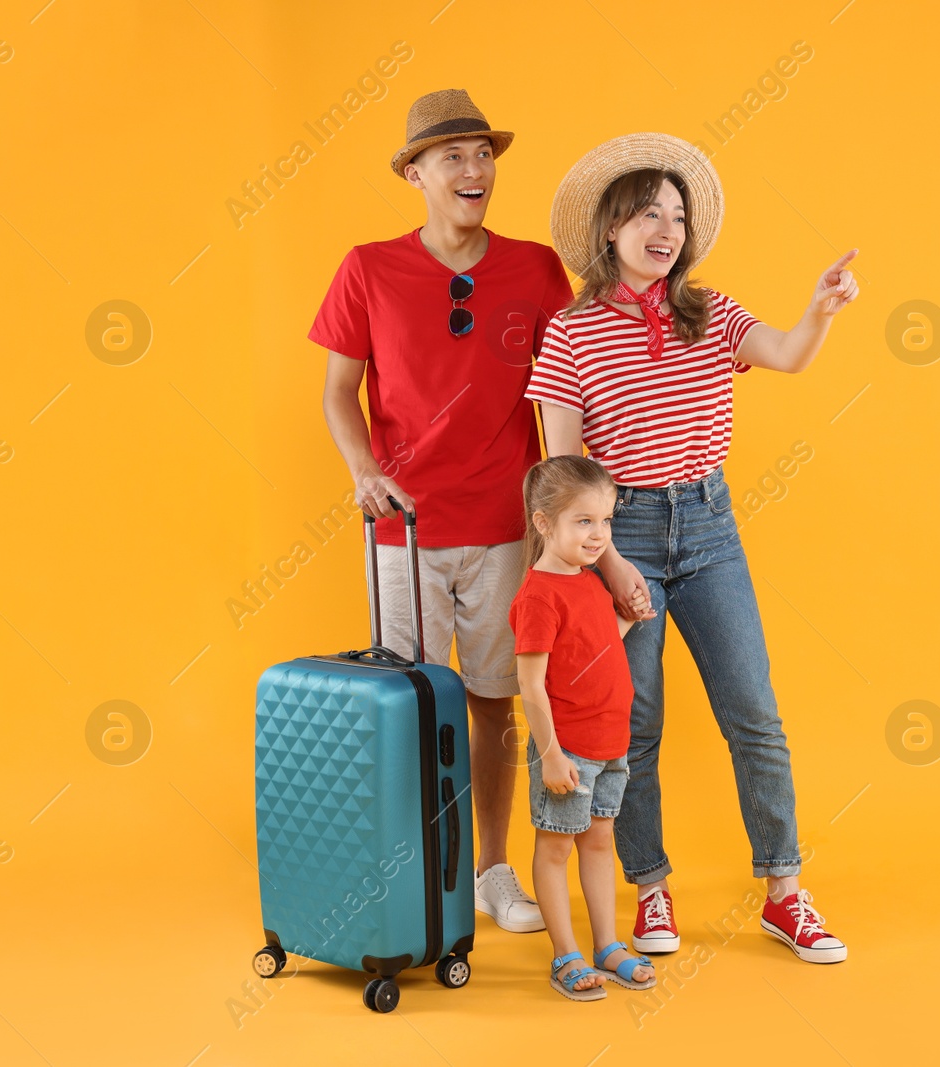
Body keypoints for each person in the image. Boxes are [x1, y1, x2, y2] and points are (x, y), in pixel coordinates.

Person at [526, 133, 858, 964]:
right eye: (647, 212)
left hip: (708, 526)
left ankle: (784, 893)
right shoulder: (570, 333)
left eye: (676, 215)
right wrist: (607, 560)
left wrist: (819, 308)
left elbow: (784, 353)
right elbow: (561, 476)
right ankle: (652, 888)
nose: (665, 229)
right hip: (618, 530)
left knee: (754, 712)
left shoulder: (709, 312)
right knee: (629, 726)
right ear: (611, 228)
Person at [310, 88, 574, 934]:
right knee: (413, 702)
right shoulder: (368, 267)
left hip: (504, 527)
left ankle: (493, 869)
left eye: (483, 154)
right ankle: (418, 870)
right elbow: (339, 393)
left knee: (496, 702)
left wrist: (565, 514)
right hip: (404, 529)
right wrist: (362, 471)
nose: (474, 169)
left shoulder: (534, 268)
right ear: (414, 172)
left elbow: (565, 387)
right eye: (453, 155)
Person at [509, 455, 657, 1000]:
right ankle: (565, 954)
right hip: (568, 749)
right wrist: (550, 753)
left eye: (607, 521)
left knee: (598, 845)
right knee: (556, 849)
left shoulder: (588, 581)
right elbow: (531, 686)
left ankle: (607, 945)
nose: (600, 536)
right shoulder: (539, 595)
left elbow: (593, 652)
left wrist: (628, 618)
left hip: (610, 746)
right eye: (584, 522)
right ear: (544, 523)